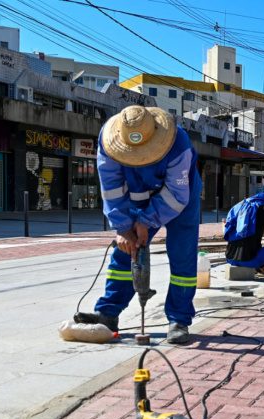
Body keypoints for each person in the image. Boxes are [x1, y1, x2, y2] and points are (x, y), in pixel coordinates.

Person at [74, 105, 200, 344]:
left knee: (182, 255)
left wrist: (146, 220)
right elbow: (110, 188)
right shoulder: (108, 140)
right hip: (136, 195)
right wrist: (123, 227)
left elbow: (176, 194)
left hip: (180, 199)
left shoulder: (178, 143)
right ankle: (108, 313)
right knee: (125, 252)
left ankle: (179, 319)